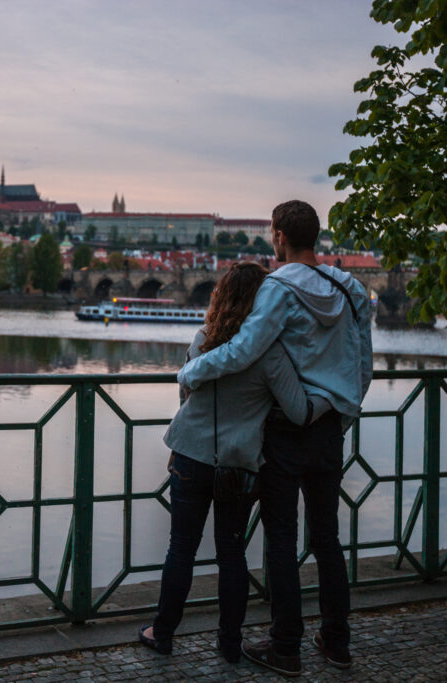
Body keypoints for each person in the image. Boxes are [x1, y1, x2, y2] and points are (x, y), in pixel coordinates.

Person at [177, 200, 373, 677]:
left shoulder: (279, 287)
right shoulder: (351, 289)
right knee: (327, 539)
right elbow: (363, 367)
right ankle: (338, 641)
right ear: (317, 236)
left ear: (279, 236)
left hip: (285, 427)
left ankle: (286, 646)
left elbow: (245, 350)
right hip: (328, 429)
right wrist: (340, 415)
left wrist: (191, 370)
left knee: (281, 539)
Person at [139, 261, 330, 663]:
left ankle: (163, 632)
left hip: (190, 455)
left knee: (181, 550)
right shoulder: (271, 354)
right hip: (239, 465)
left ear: (221, 296)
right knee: (231, 554)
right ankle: (229, 644)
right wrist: (334, 401)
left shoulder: (205, 338)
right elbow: (298, 412)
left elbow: (186, 393)